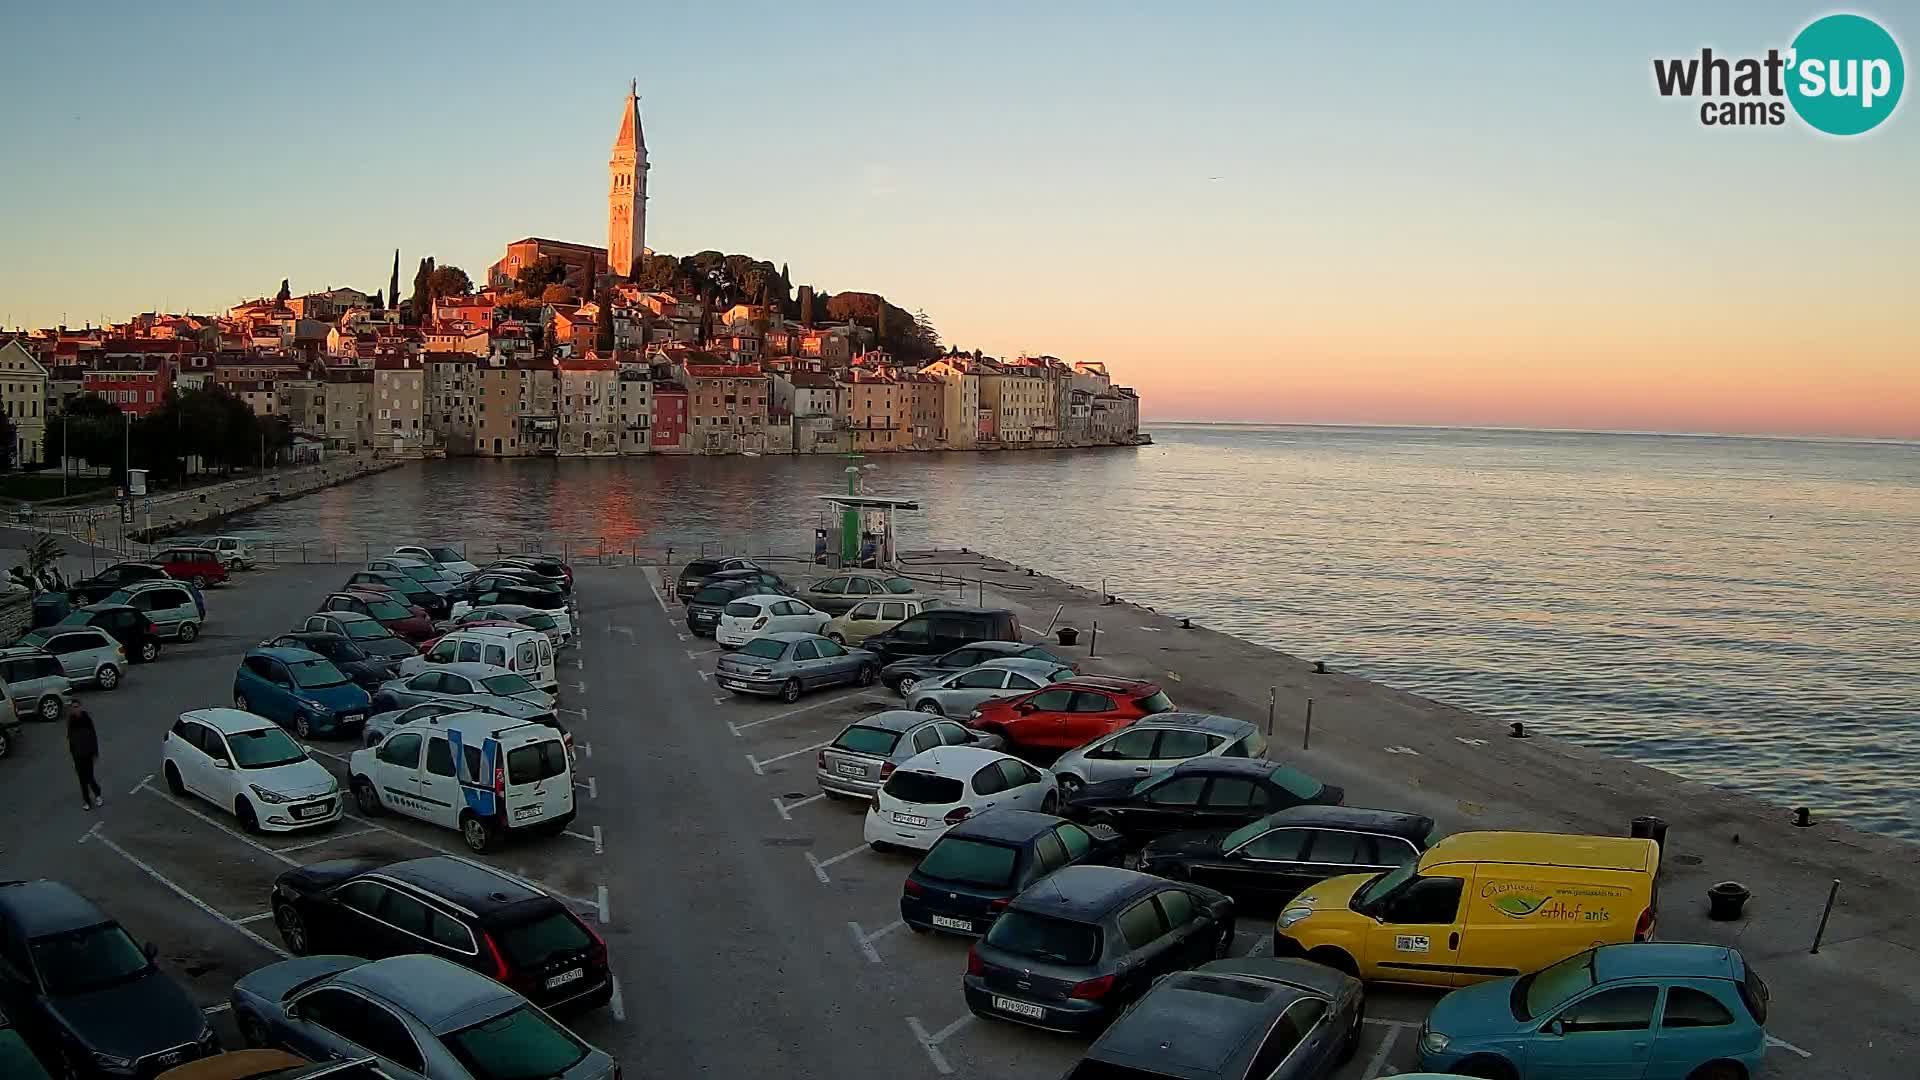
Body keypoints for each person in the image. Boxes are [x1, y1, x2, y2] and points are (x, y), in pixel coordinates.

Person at [68, 703, 103, 810]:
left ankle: (97, 794)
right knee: (82, 780)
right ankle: (87, 801)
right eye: (73, 707)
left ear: (81, 707)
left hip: (87, 754)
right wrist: (73, 757)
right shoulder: (71, 722)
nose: (76, 709)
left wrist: (95, 752)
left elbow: (93, 736)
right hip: (78, 755)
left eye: (77, 706)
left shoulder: (87, 719)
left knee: (90, 777)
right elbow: (70, 740)